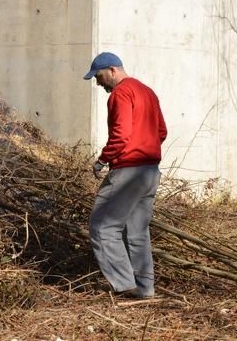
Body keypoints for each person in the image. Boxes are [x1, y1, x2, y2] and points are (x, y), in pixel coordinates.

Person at [83, 52, 167, 298]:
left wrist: (102, 160)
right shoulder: (148, 92)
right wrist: (146, 146)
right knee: (137, 232)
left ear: (112, 70)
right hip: (150, 172)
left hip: (128, 172)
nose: (98, 84)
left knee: (101, 227)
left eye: (99, 77)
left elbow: (121, 135)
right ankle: (145, 289)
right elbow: (161, 131)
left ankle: (126, 286)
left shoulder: (121, 93)